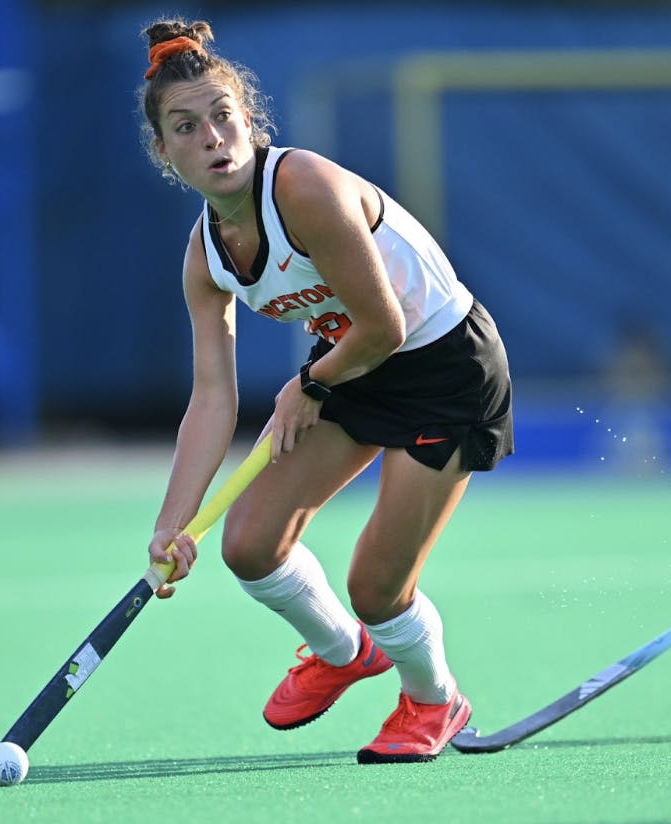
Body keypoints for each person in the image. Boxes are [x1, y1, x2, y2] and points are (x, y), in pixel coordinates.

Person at [135, 18, 513, 764]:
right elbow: (210, 399)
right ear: (166, 153)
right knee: (247, 545)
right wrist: (172, 525)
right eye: (187, 127)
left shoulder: (303, 188)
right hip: (350, 366)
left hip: (442, 369)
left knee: (377, 586)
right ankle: (342, 653)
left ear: (250, 121)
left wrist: (306, 383)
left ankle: (434, 702)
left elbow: (384, 325)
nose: (213, 137)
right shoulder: (203, 257)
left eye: (223, 116)